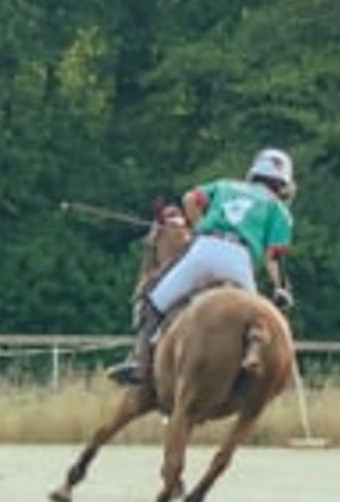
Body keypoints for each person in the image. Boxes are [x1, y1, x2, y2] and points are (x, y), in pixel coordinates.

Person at [108, 147, 296, 387]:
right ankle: (251, 363)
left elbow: (190, 199)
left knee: (154, 302)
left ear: (254, 173)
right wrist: (280, 288)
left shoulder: (226, 185)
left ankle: (140, 364)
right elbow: (273, 256)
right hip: (239, 259)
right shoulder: (279, 209)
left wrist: (199, 228)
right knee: (256, 318)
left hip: (203, 250)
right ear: (282, 184)